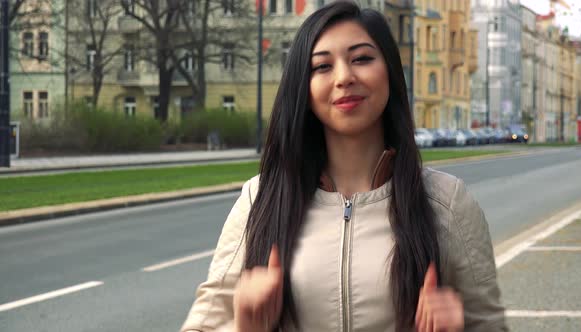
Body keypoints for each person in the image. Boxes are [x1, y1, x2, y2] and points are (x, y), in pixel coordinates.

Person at [180, 2, 507, 331]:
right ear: (303, 88)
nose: (344, 77)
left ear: (391, 72)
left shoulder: (447, 201)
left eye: (362, 58)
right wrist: (243, 327)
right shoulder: (261, 198)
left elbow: (489, 324)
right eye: (322, 66)